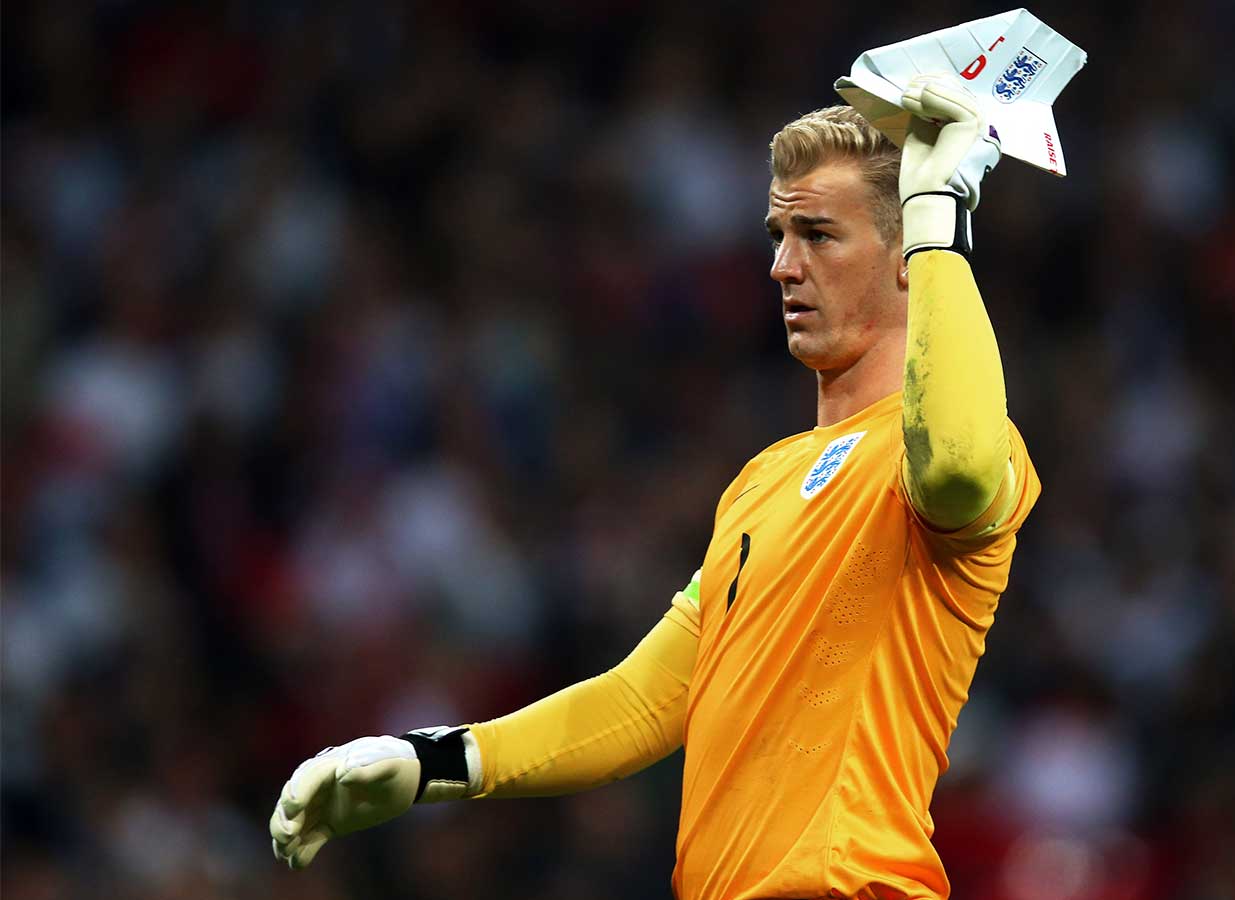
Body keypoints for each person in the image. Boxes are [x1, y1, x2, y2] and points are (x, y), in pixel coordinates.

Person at [269, 74, 1042, 900]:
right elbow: (642, 699)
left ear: (905, 257)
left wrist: (938, 224)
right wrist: (434, 761)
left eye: (818, 234)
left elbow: (954, 466)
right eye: (778, 234)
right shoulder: (761, 484)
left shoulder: (968, 452)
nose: (783, 265)